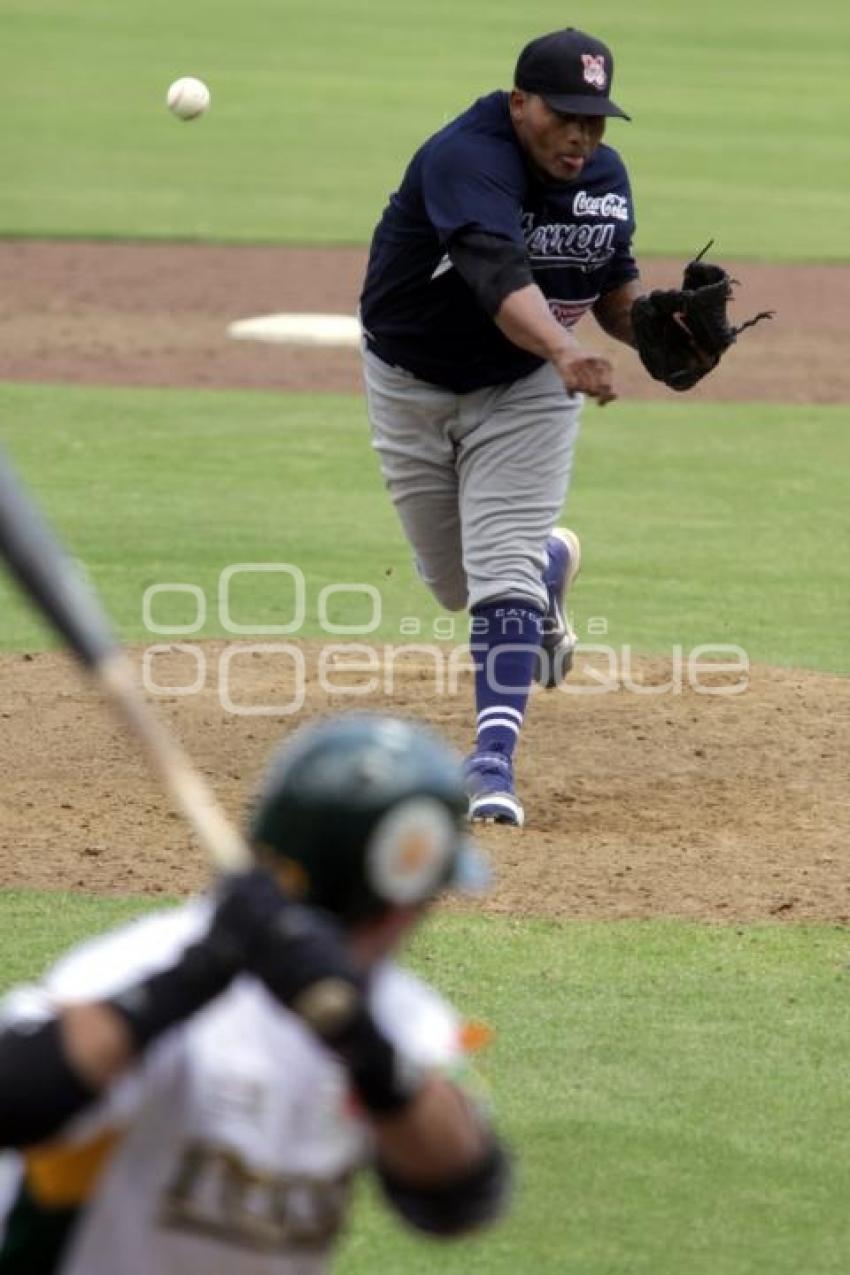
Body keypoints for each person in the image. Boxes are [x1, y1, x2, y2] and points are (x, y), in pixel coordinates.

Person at [0, 714, 509, 1274]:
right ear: (398, 899)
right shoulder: (143, 964)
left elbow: (460, 1198)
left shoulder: (396, 1016)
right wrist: (192, 979)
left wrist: (368, 1050)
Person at [360, 26, 643, 827]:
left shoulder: (603, 176)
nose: (583, 137)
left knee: (498, 578)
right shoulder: (465, 156)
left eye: (596, 120)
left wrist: (655, 325)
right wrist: (565, 347)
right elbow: (493, 268)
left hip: (527, 389)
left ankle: (492, 760)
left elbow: (612, 281)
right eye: (566, 116)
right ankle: (549, 563)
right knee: (455, 583)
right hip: (412, 382)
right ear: (521, 103)